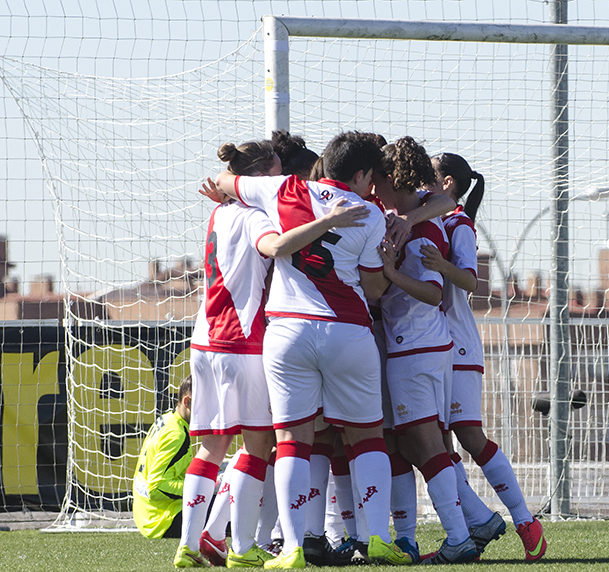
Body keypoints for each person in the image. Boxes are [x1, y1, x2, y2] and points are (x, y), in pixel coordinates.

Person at [212, 131, 413, 569]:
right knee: (366, 439)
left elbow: (227, 181)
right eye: (370, 179)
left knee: (291, 443)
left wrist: (225, 186)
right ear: (359, 175)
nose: (372, 187)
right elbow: (375, 288)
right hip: (348, 333)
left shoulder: (282, 188)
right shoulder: (370, 214)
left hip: (287, 332)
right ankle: (379, 538)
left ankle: (292, 547)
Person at [175, 139, 370, 568]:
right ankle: (242, 549)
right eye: (279, 172)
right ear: (263, 175)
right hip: (243, 344)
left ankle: (192, 543)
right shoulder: (254, 216)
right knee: (259, 446)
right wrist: (330, 221)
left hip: (204, 341)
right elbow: (278, 248)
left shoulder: (219, 212)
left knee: (211, 448)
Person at [421, 152, 547, 562]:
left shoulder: (459, 225)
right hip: (431, 345)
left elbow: (471, 282)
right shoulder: (429, 220)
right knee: (435, 444)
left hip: (457, 346)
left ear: (449, 184)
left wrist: (440, 264)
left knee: (469, 436)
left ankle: (525, 520)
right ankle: (473, 525)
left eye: (431, 176)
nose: (422, 182)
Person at [372, 136, 479, 565]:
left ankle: (459, 536)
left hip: (417, 349)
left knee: (428, 445)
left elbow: (435, 292)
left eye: (378, 179)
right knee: (416, 445)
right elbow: (438, 203)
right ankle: (472, 523)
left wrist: (390, 274)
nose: (374, 189)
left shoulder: (418, 228)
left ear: (389, 178)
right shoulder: (409, 216)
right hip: (421, 348)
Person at [133, 375, 194, 539]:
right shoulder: (177, 435)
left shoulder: (168, 419)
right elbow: (156, 487)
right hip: (162, 521)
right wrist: (197, 488)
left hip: (146, 515)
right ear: (187, 402)